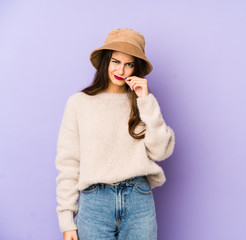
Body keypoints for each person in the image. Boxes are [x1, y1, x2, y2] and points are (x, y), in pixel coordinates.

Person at [55, 28, 175, 240]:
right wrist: (67, 221)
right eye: (115, 61)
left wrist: (145, 101)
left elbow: (161, 151)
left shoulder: (143, 103)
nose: (122, 69)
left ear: (136, 68)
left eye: (129, 64)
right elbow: (68, 163)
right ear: (105, 62)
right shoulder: (79, 103)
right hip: (95, 203)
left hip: (138, 199)